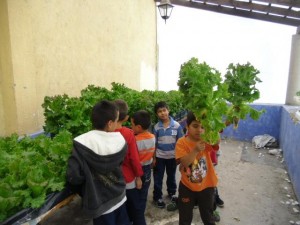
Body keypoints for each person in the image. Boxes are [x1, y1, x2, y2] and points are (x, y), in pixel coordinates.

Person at [66, 100, 130, 225]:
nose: (118, 124)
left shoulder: (81, 143)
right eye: (117, 120)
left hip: (99, 205)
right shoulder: (120, 141)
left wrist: (85, 190)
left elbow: (73, 176)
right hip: (120, 196)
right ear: (110, 123)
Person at [175, 111, 218, 225]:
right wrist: (195, 150)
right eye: (195, 126)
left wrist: (216, 127)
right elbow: (184, 162)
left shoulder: (206, 140)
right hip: (187, 187)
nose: (199, 130)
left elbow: (217, 141)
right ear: (187, 126)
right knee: (185, 217)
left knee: (208, 216)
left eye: (203, 127)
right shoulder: (181, 142)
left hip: (206, 186)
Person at [114, 99, 144, 225]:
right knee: (136, 210)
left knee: (120, 213)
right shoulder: (128, 133)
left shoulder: (105, 133)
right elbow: (134, 158)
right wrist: (138, 176)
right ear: (126, 118)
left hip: (112, 181)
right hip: (128, 179)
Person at [152, 101, 184, 208]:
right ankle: (157, 197)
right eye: (159, 111)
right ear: (157, 114)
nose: (162, 113)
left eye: (164, 110)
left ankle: (172, 193)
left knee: (171, 176)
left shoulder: (177, 126)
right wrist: (154, 158)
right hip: (159, 157)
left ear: (168, 110)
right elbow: (154, 144)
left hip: (172, 158)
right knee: (158, 177)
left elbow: (180, 143)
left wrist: (179, 157)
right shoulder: (156, 127)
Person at [130, 110, 156, 225]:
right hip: (147, 169)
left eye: (132, 125)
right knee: (143, 195)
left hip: (138, 171)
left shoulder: (135, 140)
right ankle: (139, 214)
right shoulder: (152, 137)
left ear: (139, 127)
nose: (131, 127)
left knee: (136, 196)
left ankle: (138, 219)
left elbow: (133, 159)